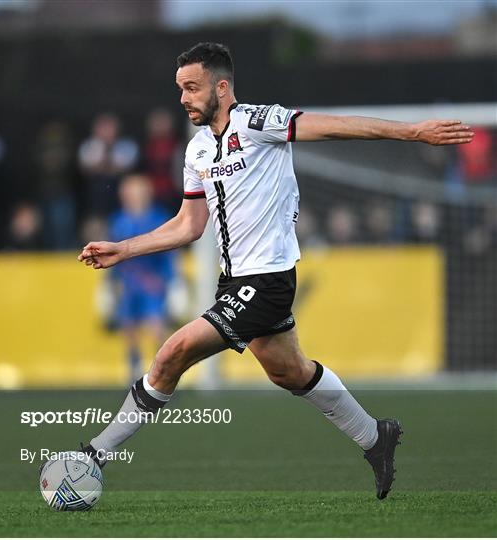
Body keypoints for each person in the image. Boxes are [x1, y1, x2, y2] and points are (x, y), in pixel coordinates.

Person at [77, 42, 473, 499]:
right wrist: (123, 249)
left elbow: (338, 127)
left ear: (221, 88)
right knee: (288, 371)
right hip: (235, 280)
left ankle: (94, 457)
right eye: (179, 89)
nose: (183, 98)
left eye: (192, 87)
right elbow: (190, 225)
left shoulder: (259, 122)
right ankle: (375, 438)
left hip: (267, 280)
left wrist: (415, 133)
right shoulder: (197, 151)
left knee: (172, 353)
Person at [109, 174, 176, 384]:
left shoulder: (158, 218)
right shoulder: (118, 220)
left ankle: (163, 376)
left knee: (156, 328)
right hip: (129, 285)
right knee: (129, 329)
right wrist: (112, 283)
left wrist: (169, 279)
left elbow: (168, 252)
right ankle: (134, 373)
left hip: (152, 284)